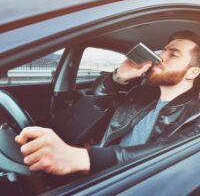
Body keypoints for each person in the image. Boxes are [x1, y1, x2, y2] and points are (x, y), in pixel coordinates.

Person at [15, 30, 200, 176]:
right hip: (105, 169)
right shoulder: (141, 94)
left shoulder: (195, 115)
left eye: (173, 55)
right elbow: (97, 105)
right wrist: (119, 76)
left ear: (192, 73)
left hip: (130, 179)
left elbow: (162, 153)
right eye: (164, 50)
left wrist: (85, 158)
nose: (160, 57)